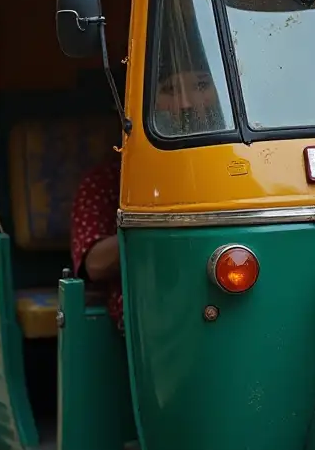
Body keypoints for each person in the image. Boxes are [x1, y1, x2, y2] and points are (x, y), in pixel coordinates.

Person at [69, 68, 220, 334]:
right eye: (170, 90)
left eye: (201, 85)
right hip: (153, 306)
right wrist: (161, 220)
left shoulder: (234, 167)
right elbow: (94, 264)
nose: (186, 103)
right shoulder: (106, 180)